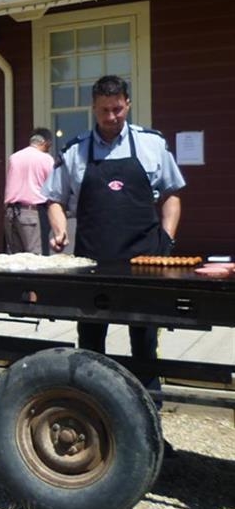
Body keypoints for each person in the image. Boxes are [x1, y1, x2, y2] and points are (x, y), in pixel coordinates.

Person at [44, 75, 185, 435]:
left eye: (118, 109)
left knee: (144, 344)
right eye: (105, 110)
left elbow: (171, 193)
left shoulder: (151, 145)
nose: (112, 116)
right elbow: (54, 199)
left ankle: (148, 428)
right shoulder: (75, 151)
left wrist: (167, 239)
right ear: (93, 107)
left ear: (128, 105)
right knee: (91, 343)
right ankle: (94, 423)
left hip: (145, 263)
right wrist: (59, 229)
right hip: (93, 264)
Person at [3, 127, 55, 255]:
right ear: (45, 142)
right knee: (35, 259)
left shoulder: (14, 157)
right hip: (32, 213)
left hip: (11, 213)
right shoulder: (45, 159)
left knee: (14, 260)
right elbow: (53, 188)